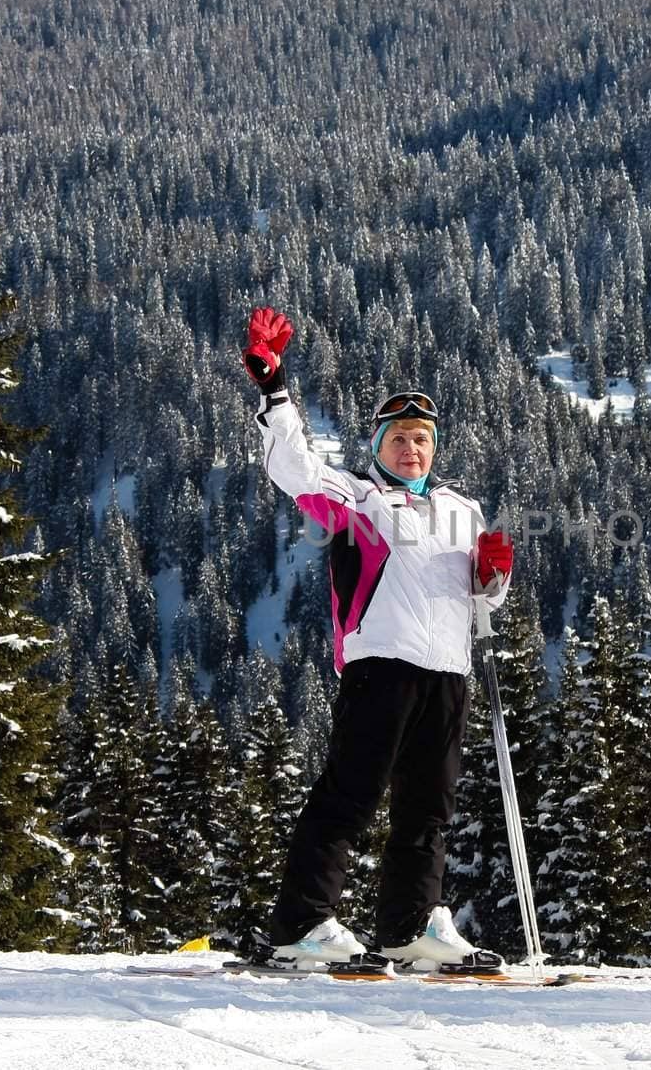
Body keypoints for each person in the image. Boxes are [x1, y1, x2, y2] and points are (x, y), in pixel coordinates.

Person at [243, 306, 514, 973]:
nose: (411, 450)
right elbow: (296, 467)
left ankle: (410, 926)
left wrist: (493, 574)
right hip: (380, 667)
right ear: (378, 447)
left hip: (447, 674)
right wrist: (275, 389)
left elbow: (481, 600)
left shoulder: (463, 510)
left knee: (427, 810)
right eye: (399, 438)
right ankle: (301, 923)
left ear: (434, 448)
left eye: (422, 439)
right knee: (351, 795)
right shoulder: (357, 499)